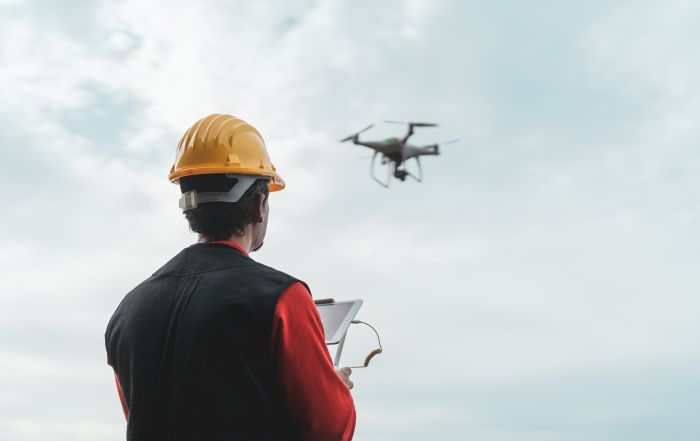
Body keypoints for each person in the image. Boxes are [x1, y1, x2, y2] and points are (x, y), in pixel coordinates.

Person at [105, 114, 356, 440]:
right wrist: (335, 387)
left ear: (188, 206)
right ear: (258, 205)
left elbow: (144, 415)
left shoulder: (128, 309)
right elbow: (329, 429)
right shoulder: (282, 297)